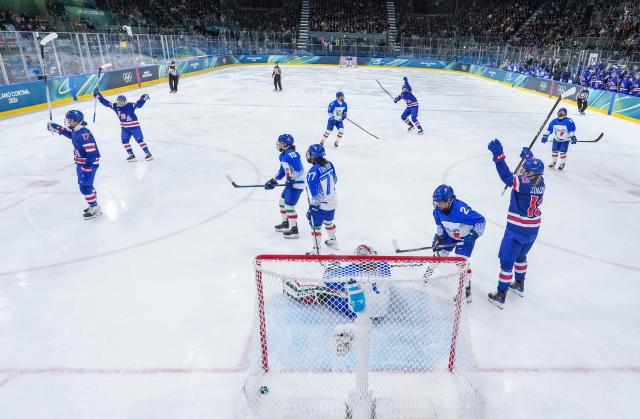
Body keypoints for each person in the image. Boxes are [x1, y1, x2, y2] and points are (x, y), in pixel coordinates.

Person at [487, 140, 545, 309]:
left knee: (506, 262)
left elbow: (507, 177)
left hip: (517, 229)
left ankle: (500, 294)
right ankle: (519, 285)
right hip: (533, 229)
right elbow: (532, 172)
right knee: (521, 257)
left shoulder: (524, 183)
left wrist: (499, 157)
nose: (522, 171)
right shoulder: (540, 181)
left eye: (525, 170)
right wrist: (529, 158)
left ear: (530, 174)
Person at [283, 244, 390, 319]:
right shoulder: (384, 266)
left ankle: (292, 287)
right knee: (353, 289)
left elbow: (328, 280)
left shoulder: (354, 269)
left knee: (325, 292)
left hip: (358, 313)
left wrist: (334, 266)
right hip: (381, 312)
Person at [431, 184, 485, 303]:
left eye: (441, 203)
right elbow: (440, 225)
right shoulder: (437, 211)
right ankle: (427, 274)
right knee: (439, 254)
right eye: (437, 203)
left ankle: (466, 291)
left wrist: (473, 234)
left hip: (465, 237)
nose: (439, 206)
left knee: (461, 263)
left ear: (450, 200)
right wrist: (439, 237)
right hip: (450, 234)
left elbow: (481, 221)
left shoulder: (461, 209)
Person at [47, 110, 102, 219]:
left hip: (88, 164)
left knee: (84, 187)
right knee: (84, 185)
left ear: (77, 121)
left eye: (70, 120)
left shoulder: (84, 134)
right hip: (81, 163)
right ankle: (92, 202)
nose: (68, 122)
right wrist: (56, 127)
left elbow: (92, 153)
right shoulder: (77, 131)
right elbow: (70, 134)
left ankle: (95, 208)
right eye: (68, 120)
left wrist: (87, 168)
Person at [264, 134, 305, 239]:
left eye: (281, 143)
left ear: (286, 144)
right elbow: (282, 171)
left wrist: (292, 179)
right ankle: (285, 223)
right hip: (291, 183)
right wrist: (273, 180)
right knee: (282, 202)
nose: (279, 144)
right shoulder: (283, 155)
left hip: (297, 184)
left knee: (289, 206)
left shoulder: (292, 154)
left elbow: (299, 170)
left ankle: (294, 230)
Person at [94, 90, 153, 162]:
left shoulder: (130, 105)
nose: (120, 103)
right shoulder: (115, 106)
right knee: (124, 141)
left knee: (139, 140)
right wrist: (99, 97)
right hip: (125, 128)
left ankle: (148, 153)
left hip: (134, 127)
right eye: (119, 101)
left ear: (125, 101)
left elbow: (139, 105)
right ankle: (131, 155)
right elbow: (106, 103)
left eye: (122, 101)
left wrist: (143, 98)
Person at [306, 143, 338, 254]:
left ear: (313, 156)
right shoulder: (329, 164)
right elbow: (335, 180)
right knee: (328, 222)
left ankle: (316, 249)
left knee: (315, 226)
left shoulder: (312, 172)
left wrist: (312, 208)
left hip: (322, 204)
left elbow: (316, 195)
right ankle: (333, 241)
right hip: (333, 201)